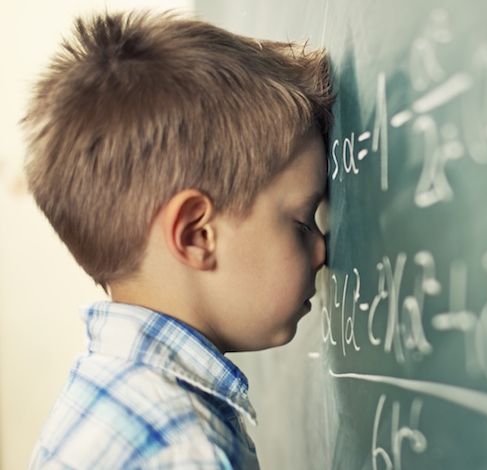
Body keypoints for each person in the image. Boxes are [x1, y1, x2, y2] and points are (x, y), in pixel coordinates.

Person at [21, 10, 334, 469]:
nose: (323, 250)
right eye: (303, 221)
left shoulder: (106, 393)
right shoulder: (185, 451)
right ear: (196, 234)